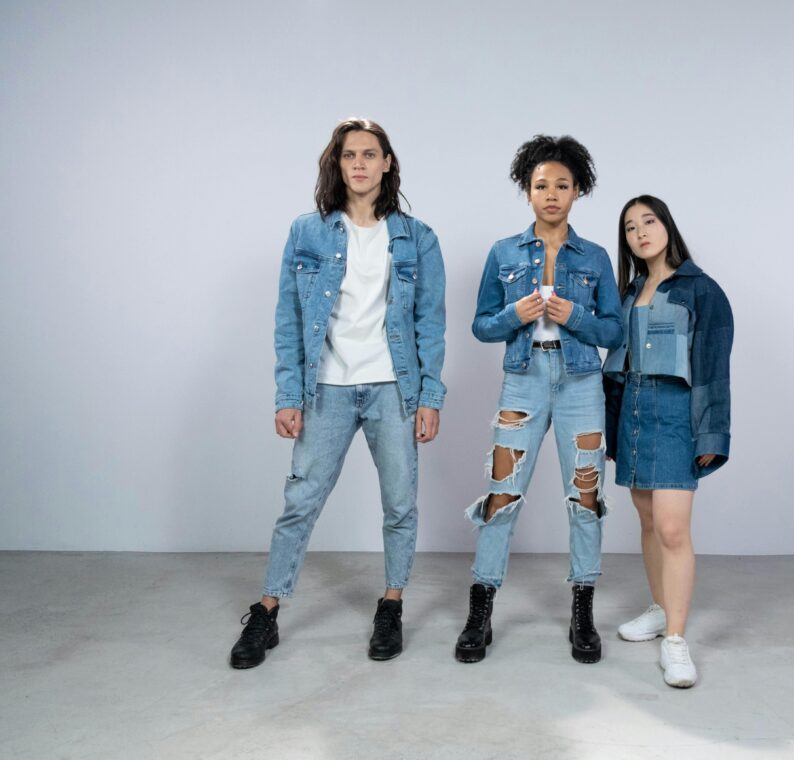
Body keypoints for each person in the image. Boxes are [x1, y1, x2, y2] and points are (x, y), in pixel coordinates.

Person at [229, 118, 446, 669]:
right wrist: (287, 395)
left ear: (387, 163)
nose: (360, 164)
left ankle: (391, 603)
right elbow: (288, 319)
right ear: (338, 164)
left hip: (392, 389)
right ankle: (267, 612)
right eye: (350, 155)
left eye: (370, 154)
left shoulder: (418, 239)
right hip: (324, 387)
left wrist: (430, 397)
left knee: (399, 504)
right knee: (300, 503)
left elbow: (429, 326)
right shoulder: (308, 232)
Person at [455, 135, 622, 664]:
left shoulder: (594, 257)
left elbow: (615, 331)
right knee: (502, 492)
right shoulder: (505, 253)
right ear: (527, 191)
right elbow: (481, 325)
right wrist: (515, 316)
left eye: (563, 186)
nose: (551, 194)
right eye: (541, 185)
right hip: (523, 379)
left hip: (580, 383)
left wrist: (573, 316)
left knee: (586, 498)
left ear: (579, 192)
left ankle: (582, 611)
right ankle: (480, 611)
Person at [602, 195, 733, 688]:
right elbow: (617, 367)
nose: (640, 233)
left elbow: (714, 371)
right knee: (649, 521)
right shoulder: (629, 290)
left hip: (678, 413)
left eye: (649, 221)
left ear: (667, 226)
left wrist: (711, 431)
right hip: (634, 410)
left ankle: (676, 641)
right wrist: (614, 424)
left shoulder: (702, 291)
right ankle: (659, 610)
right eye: (631, 227)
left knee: (674, 529)